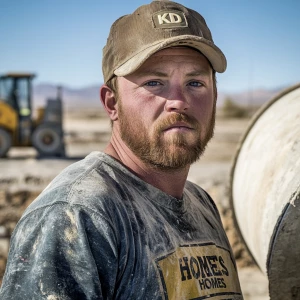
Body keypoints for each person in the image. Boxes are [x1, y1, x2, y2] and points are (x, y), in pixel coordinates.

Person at [0, 1, 243, 299]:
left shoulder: (201, 204)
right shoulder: (77, 215)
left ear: (215, 96)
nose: (178, 100)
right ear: (112, 103)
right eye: (154, 82)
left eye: (195, 82)